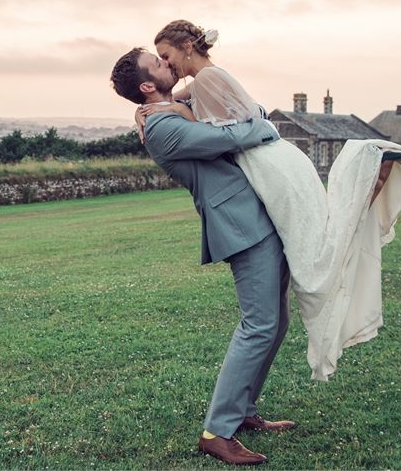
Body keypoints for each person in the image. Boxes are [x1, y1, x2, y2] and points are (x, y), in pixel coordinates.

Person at [141, 19, 401, 382]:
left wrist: (181, 113)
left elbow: (230, 130)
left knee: (312, 244)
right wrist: (153, 108)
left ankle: (364, 181)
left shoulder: (206, 80)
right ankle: (362, 193)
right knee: (312, 231)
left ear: (187, 47)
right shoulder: (205, 78)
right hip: (276, 160)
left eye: (166, 55)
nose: (167, 64)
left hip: (267, 164)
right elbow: (230, 109)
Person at [111, 47, 295, 466]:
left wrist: (249, 114)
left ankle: (244, 411)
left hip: (258, 214)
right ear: (147, 85)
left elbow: (231, 107)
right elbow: (230, 136)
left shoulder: (172, 109)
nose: (168, 63)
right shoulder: (161, 127)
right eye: (158, 63)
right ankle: (217, 433)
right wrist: (265, 125)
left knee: (275, 321)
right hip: (240, 225)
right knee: (258, 325)